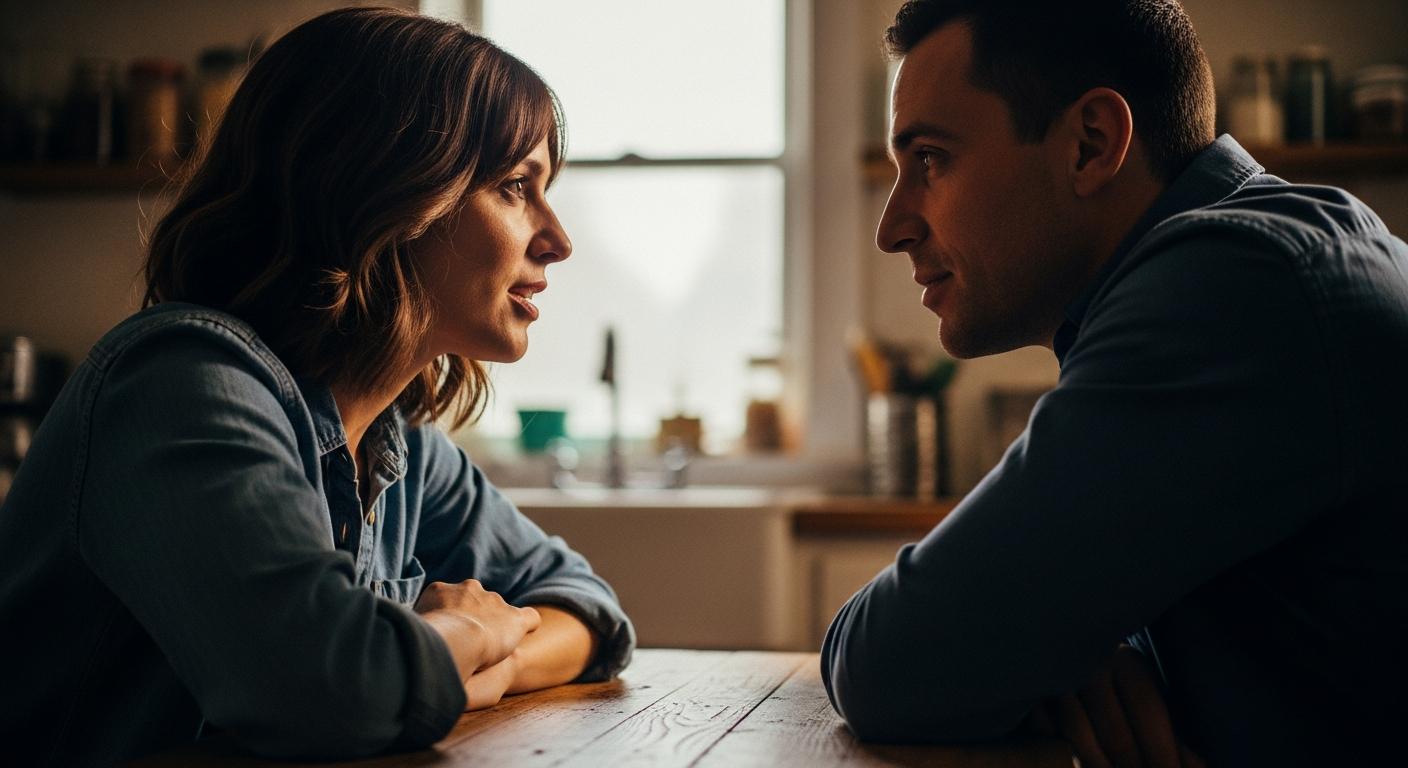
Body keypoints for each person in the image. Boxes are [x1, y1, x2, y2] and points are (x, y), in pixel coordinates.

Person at [0, 8, 634, 766]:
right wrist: (464, 629)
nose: (558, 240)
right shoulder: (177, 386)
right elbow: (332, 690)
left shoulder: (405, 452)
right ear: (388, 190)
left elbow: (589, 608)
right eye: (514, 186)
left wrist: (471, 659)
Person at [821, 1, 1408, 766]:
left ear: (1091, 144)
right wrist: (1074, 653)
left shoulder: (1235, 288)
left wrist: (1029, 656)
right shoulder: (1271, 257)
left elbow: (884, 664)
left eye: (930, 159)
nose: (890, 227)